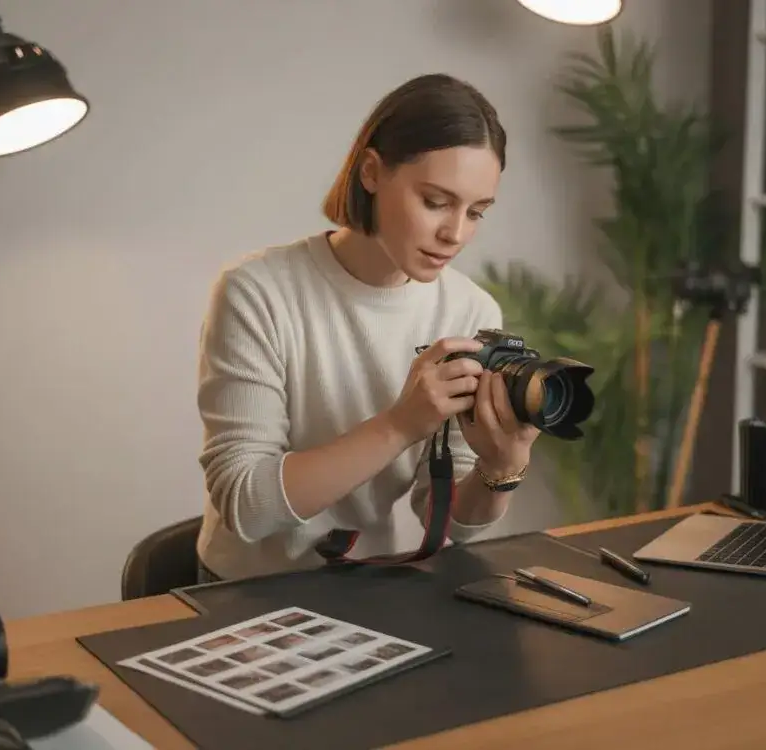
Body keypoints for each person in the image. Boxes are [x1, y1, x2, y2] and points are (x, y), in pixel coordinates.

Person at [194, 73, 541, 583]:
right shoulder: (257, 291)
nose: (456, 233)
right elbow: (246, 504)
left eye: (476, 212)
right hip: (243, 594)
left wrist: (501, 468)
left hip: (371, 586)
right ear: (372, 172)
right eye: (436, 201)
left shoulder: (471, 310)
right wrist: (401, 424)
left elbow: (445, 520)